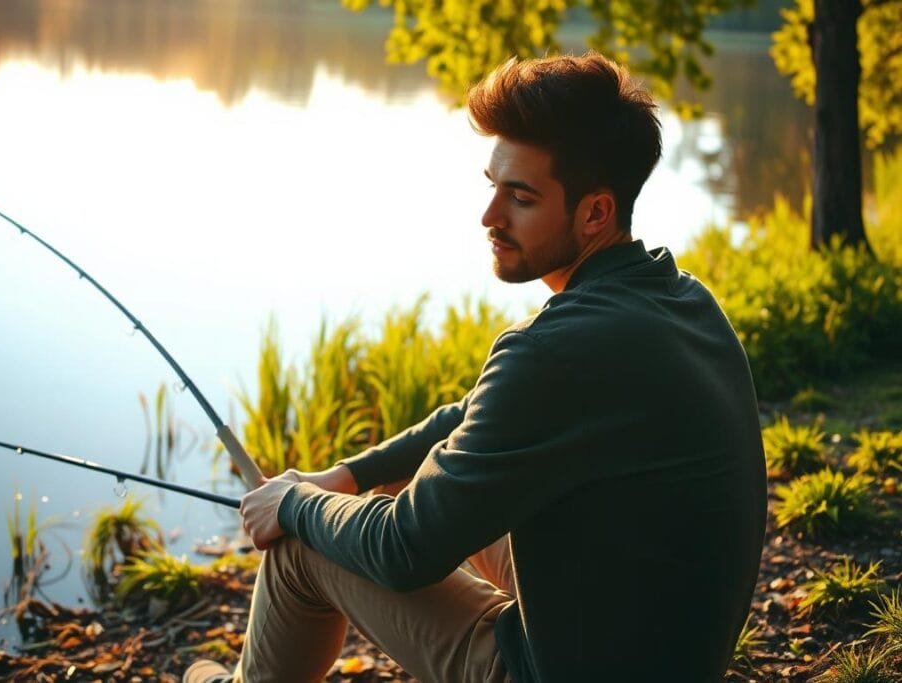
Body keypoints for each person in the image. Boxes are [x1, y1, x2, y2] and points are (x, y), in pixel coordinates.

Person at [185, 52, 767, 683]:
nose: (489, 217)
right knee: (410, 486)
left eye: (520, 197)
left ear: (595, 212)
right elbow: (475, 420)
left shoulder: (552, 352)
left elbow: (406, 549)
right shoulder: (681, 299)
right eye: (492, 186)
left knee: (305, 544)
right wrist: (349, 475)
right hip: (670, 649)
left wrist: (296, 504)